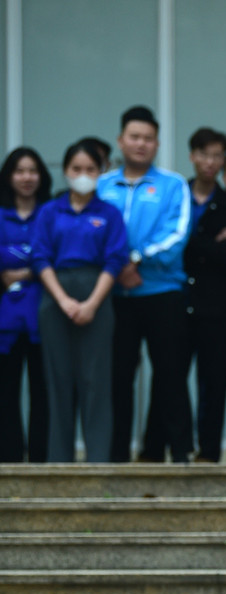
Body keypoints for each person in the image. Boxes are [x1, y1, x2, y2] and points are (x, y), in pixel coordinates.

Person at [98, 105, 193, 463]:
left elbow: (177, 235)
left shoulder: (172, 185)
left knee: (170, 374)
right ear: (121, 140)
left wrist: (135, 259)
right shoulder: (102, 185)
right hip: (114, 296)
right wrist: (119, 265)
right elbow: (93, 233)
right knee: (117, 377)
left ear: (156, 144)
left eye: (148, 138)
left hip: (161, 294)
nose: (140, 144)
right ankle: (116, 456)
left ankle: (180, 452)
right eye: (134, 137)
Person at [31, 140, 128, 462]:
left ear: (100, 172)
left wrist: (90, 304)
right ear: (66, 171)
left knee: (96, 381)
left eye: (90, 169)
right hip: (55, 295)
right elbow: (40, 257)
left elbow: (115, 261)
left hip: (97, 295)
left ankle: (98, 460)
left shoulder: (109, 213)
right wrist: (63, 300)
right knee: (57, 380)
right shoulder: (49, 211)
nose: (83, 175)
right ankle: (59, 461)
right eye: (76, 169)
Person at [182, 127, 226, 463]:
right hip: (178, 301)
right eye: (203, 154)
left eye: (217, 155)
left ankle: (209, 453)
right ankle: (173, 448)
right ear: (192, 156)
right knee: (172, 379)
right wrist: (209, 245)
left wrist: (201, 247)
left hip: (218, 305)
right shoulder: (178, 196)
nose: (209, 161)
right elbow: (179, 245)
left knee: (214, 383)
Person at [0, 147, 53, 462]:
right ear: (9, 176)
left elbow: (55, 255)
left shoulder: (51, 213)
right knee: (5, 395)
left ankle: (40, 460)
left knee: (42, 394)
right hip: (4, 322)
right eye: (19, 171)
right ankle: (8, 460)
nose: (26, 177)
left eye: (32, 171)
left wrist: (29, 269)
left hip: (44, 319)